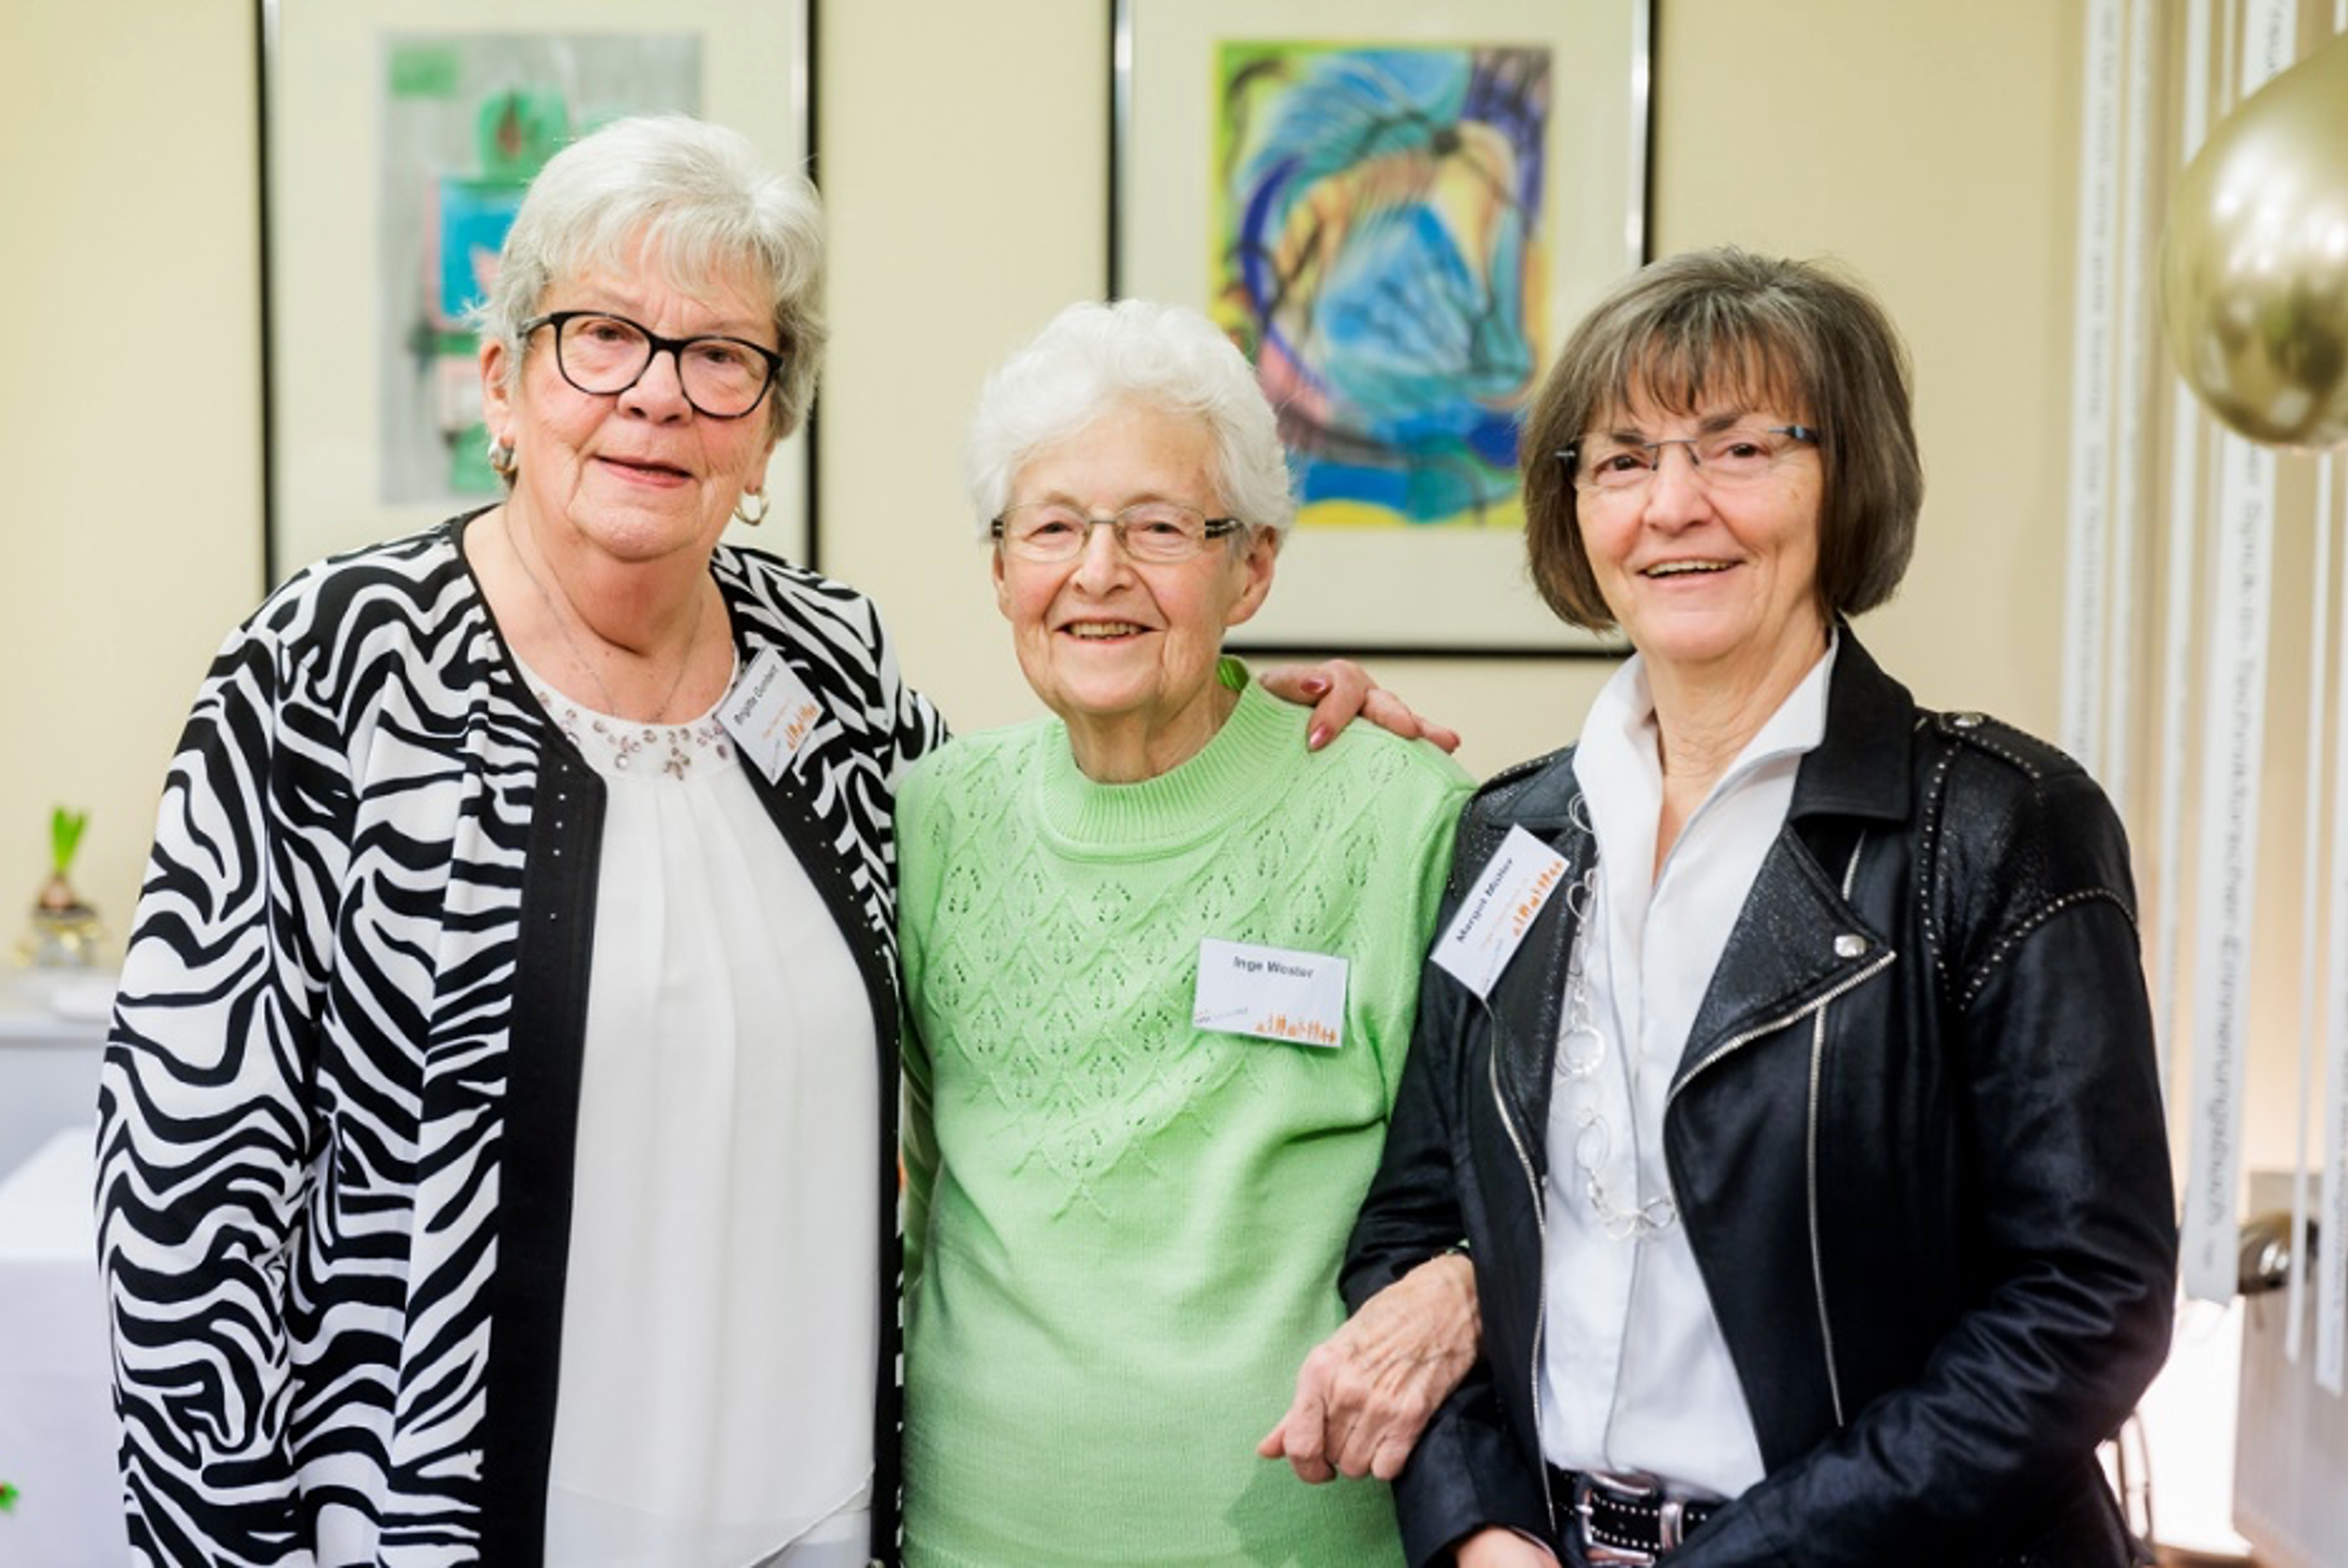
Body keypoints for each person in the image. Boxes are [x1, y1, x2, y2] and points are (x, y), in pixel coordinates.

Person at [92, 115, 1437, 1568]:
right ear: (503, 380)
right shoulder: (336, 672)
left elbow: (1070, 809)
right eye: (601, 336)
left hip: (823, 1515)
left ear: (770, 426)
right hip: (448, 1517)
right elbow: (186, 1180)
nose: (658, 398)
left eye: (721, 356)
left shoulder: (830, 670)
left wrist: (1268, 723)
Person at [1333, 248, 2178, 1567]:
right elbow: (1410, 1227)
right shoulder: (1513, 834)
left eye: (1738, 450)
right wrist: (1481, 1530)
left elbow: (2088, 1305)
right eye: (1622, 460)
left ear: (1847, 481)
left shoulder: (1997, 825)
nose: (1674, 505)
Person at [895, 299, 1481, 1568]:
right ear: (1002, 568)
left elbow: (1511, 1190)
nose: (1099, 572)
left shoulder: (1396, 816)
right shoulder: (929, 820)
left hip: (1299, 1540)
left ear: (1253, 565)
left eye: (1159, 527)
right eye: (1052, 526)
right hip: (968, 1534)